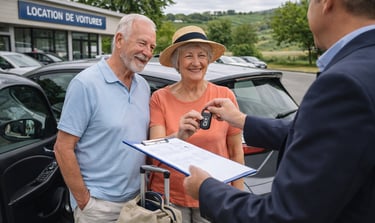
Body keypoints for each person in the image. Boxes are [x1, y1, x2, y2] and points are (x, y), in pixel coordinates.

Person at [183, 0, 375, 222]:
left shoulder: (343, 82)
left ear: (326, 3)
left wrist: (206, 189)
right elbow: (333, 136)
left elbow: (285, 215)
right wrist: (242, 120)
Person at [54, 14, 156, 222]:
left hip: (136, 202)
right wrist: (85, 201)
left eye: (152, 47)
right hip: (99, 206)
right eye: (142, 43)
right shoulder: (85, 84)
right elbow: (63, 147)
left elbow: (146, 141)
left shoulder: (143, 86)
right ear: (119, 40)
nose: (147, 53)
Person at [149, 25, 244, 223]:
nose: (196, 62)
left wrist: (238, 199)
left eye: (202, 55)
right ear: (177, 62)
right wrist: (178, 135)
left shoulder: (224, 96)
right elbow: (153, 150)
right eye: (188, 56)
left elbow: (236, 151)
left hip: (214, 195)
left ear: (208, 60)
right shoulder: (160, 98)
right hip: (170, 198)